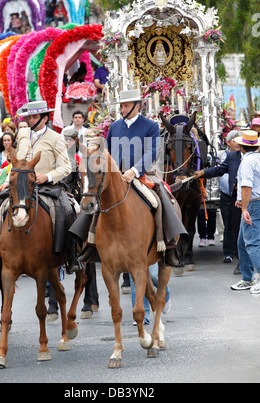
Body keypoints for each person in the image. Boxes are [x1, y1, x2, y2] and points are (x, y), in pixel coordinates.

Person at [74, 88, 188, 267]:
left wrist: (134, 170)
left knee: (159, 199)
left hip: (143, 174)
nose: (123, 109)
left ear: (137, 106)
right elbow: (107, 152)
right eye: (122, 106)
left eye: (126, 105)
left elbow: (151, 152)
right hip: (115, 176)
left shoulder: (150, 126)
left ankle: (169, 244)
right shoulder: (115, 126)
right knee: (95, 198)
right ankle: (89, 242)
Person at [0, 100, 82, 274]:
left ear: (45, 118)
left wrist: (47, 176)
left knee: (67, 210)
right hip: (20, 185)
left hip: (47, 185)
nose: (30, 120)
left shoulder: (56, 137)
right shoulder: (22, 133)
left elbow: (66, 167)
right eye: (29, 117)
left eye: (35, 117)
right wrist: (8, 180)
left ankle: (71, 256)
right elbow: (16, 162)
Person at [194, 130, 242, 266]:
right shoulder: (232, 156)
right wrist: (202, 172)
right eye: (235, 141)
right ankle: (230, 254)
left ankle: (244, 258)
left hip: (251, 198)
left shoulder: (255, 157)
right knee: (230, 225)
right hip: (231, 196)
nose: (238, 144)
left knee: (245, 227)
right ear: (229, 143)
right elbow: (220, 169)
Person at [229, 130, 260, 293]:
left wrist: (245, 207)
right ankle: (247, 278)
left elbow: (247, 185)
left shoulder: (247, 162)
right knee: (243, 242)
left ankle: (256, 276)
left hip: (253, 204)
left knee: (252, 243)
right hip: (254, 202)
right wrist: (242, 200)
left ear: (241, 146)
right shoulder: (256, 159)